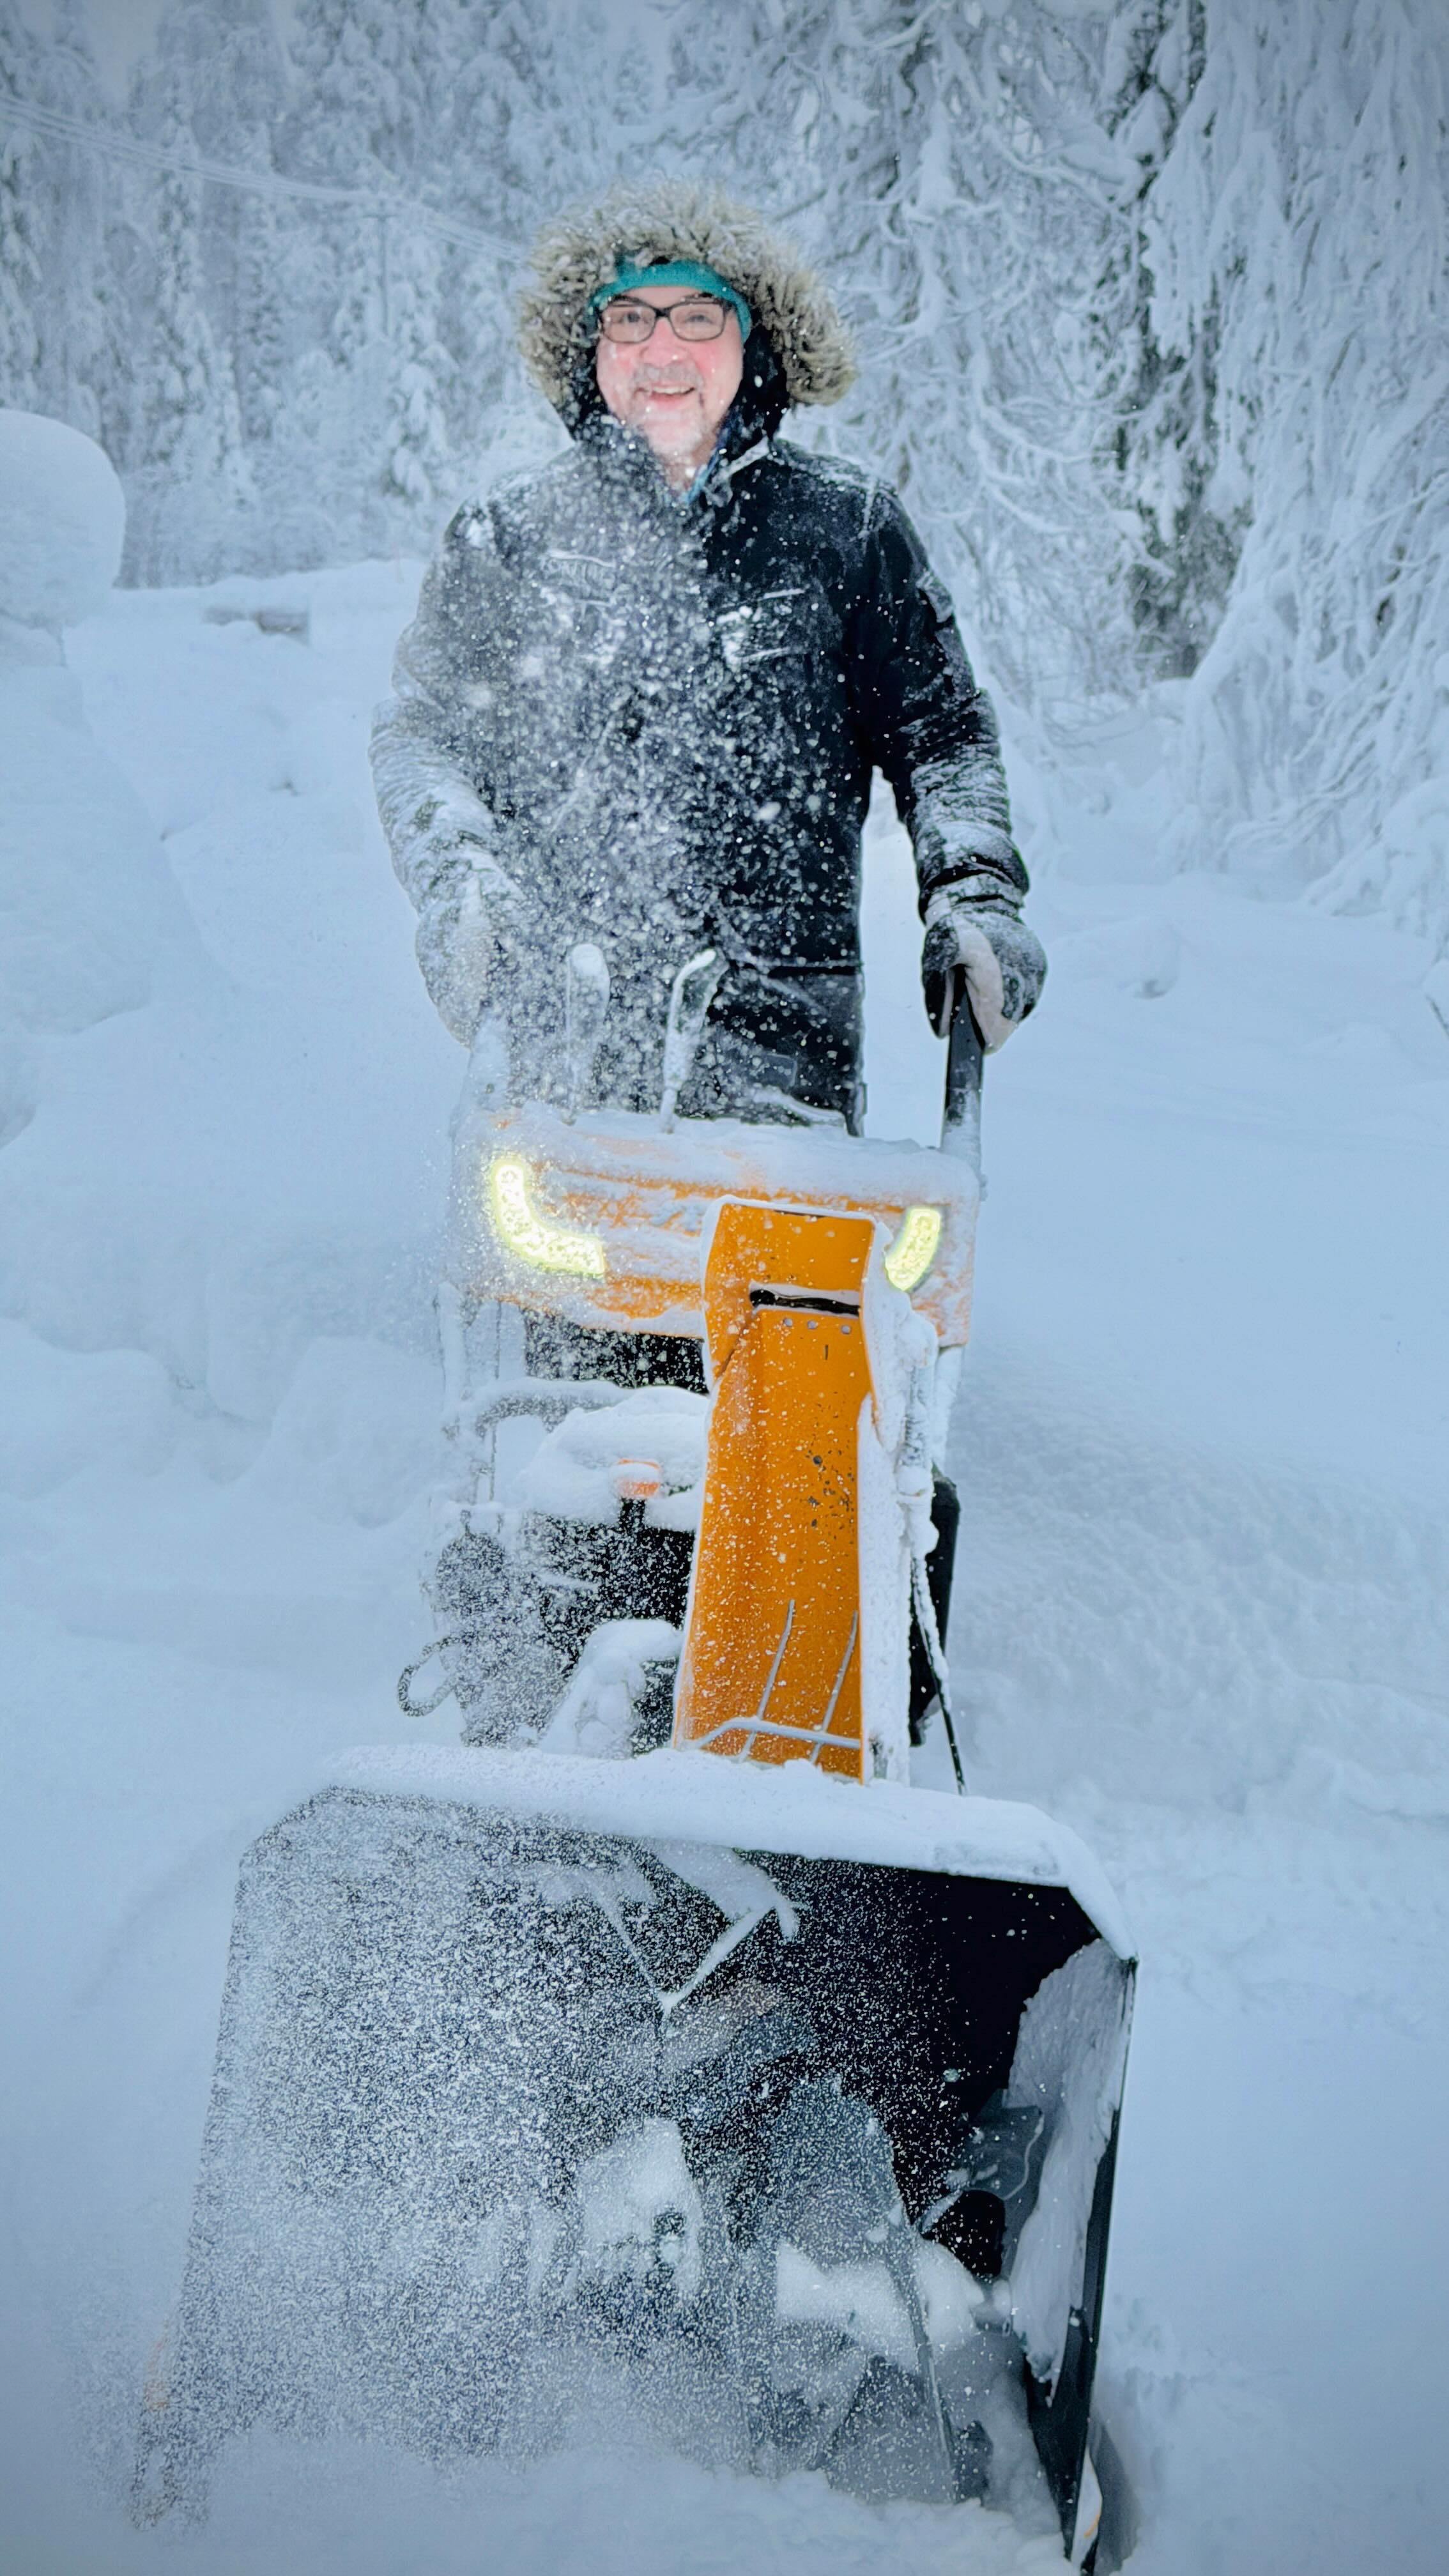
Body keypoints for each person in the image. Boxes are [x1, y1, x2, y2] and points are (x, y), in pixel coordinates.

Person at [371, 182, 1046, 1735]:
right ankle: (536, 1732)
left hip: (783, 1071)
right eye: (627, 320)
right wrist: (458, 880)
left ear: (757, 347)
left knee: (787, 1410)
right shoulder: (511, 547)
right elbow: (422, 736)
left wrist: (977, 894)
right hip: (573, 1067)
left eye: (696, 318)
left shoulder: (848, 539)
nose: (660, 349)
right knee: (575, 1410)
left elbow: (945, 740)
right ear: (584, 352)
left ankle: (803, 1721)